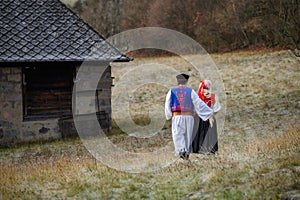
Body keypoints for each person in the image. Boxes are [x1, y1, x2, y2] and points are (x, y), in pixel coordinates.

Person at [165, 74, 213, 160]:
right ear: (186, 81)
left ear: (177, 81)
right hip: (188, 117)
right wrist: (209, 112)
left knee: (177, 135)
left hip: (177, 116)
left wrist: (169, 114)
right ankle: (185, 154)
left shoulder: (171, 91)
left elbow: (168, 104)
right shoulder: (190, 91)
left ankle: (182, 153)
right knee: (187, 136)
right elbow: (198, 103)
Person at [192, 80, 221, 154]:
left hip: (200, 118)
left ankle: (200, 149)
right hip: (209, 118)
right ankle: (209, 150)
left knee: (202, 133)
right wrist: (211, 114)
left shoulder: (197, 97)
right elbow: (216, 108)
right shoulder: (213, 96)